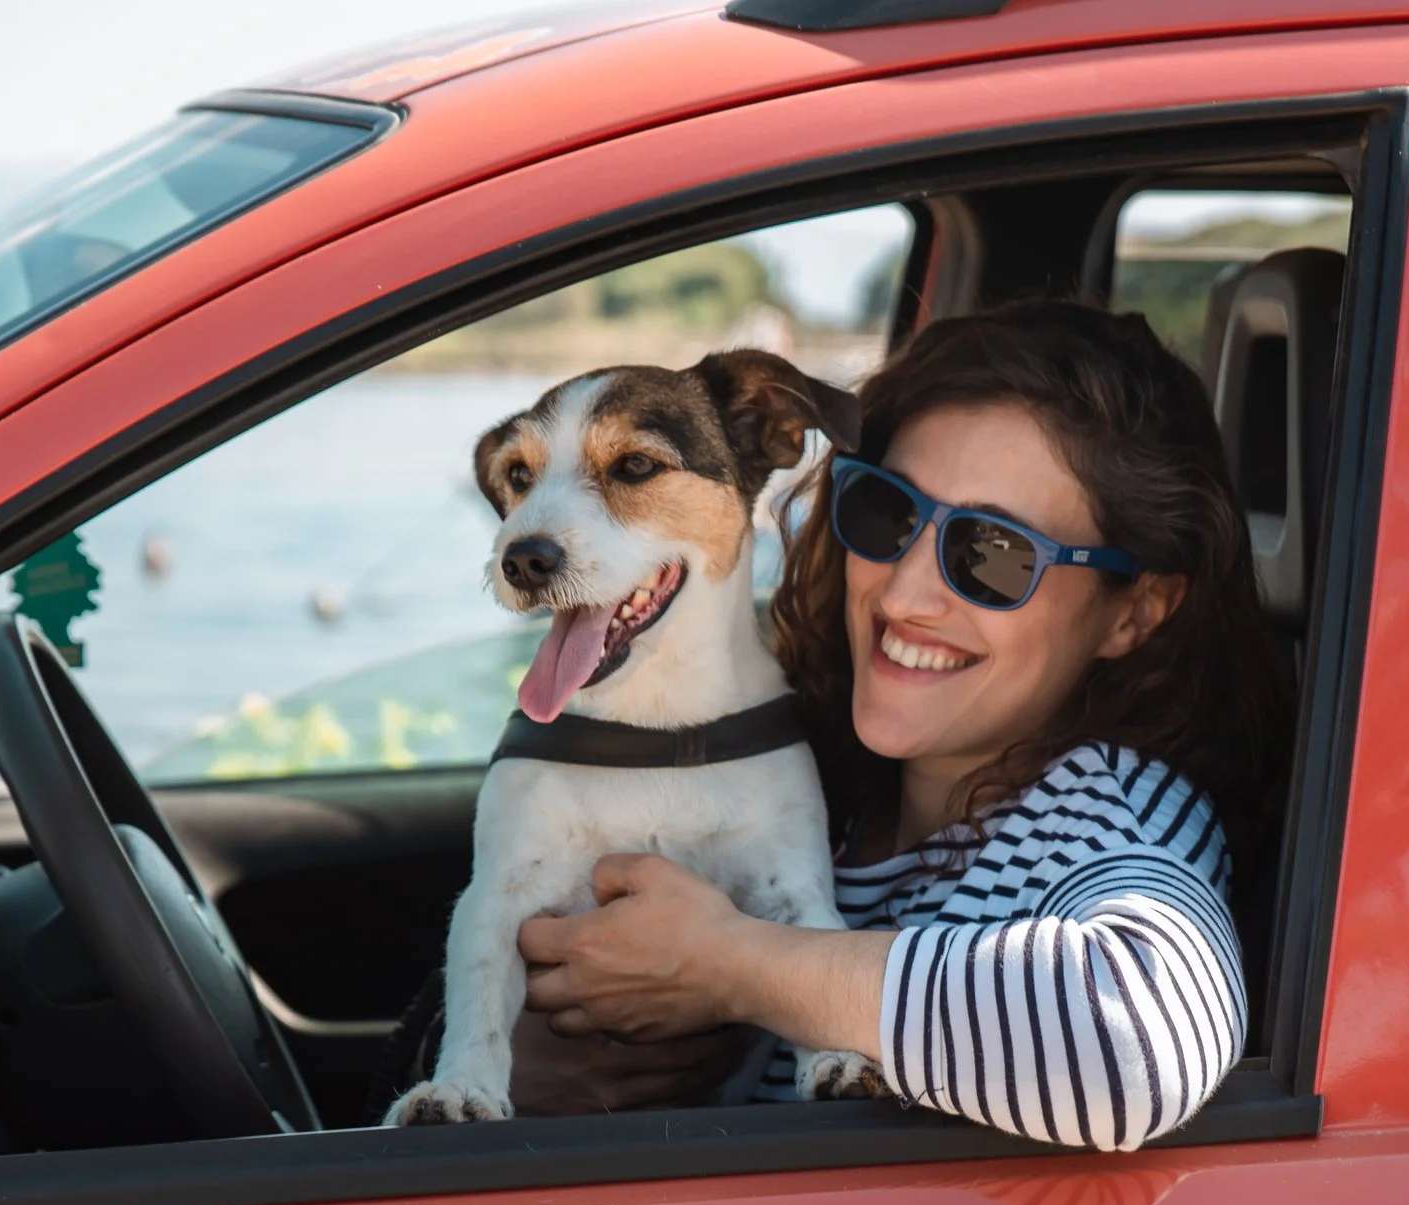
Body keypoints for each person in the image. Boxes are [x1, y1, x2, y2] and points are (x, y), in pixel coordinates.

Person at [509, 298, 1295, 1150]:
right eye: (887, 513)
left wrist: (726, 966)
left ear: (1132, 613)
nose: (907, 592)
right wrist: (535, 1076)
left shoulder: (1107, 814)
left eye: (993, 555)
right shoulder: (819, 781)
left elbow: (1136, 1045)